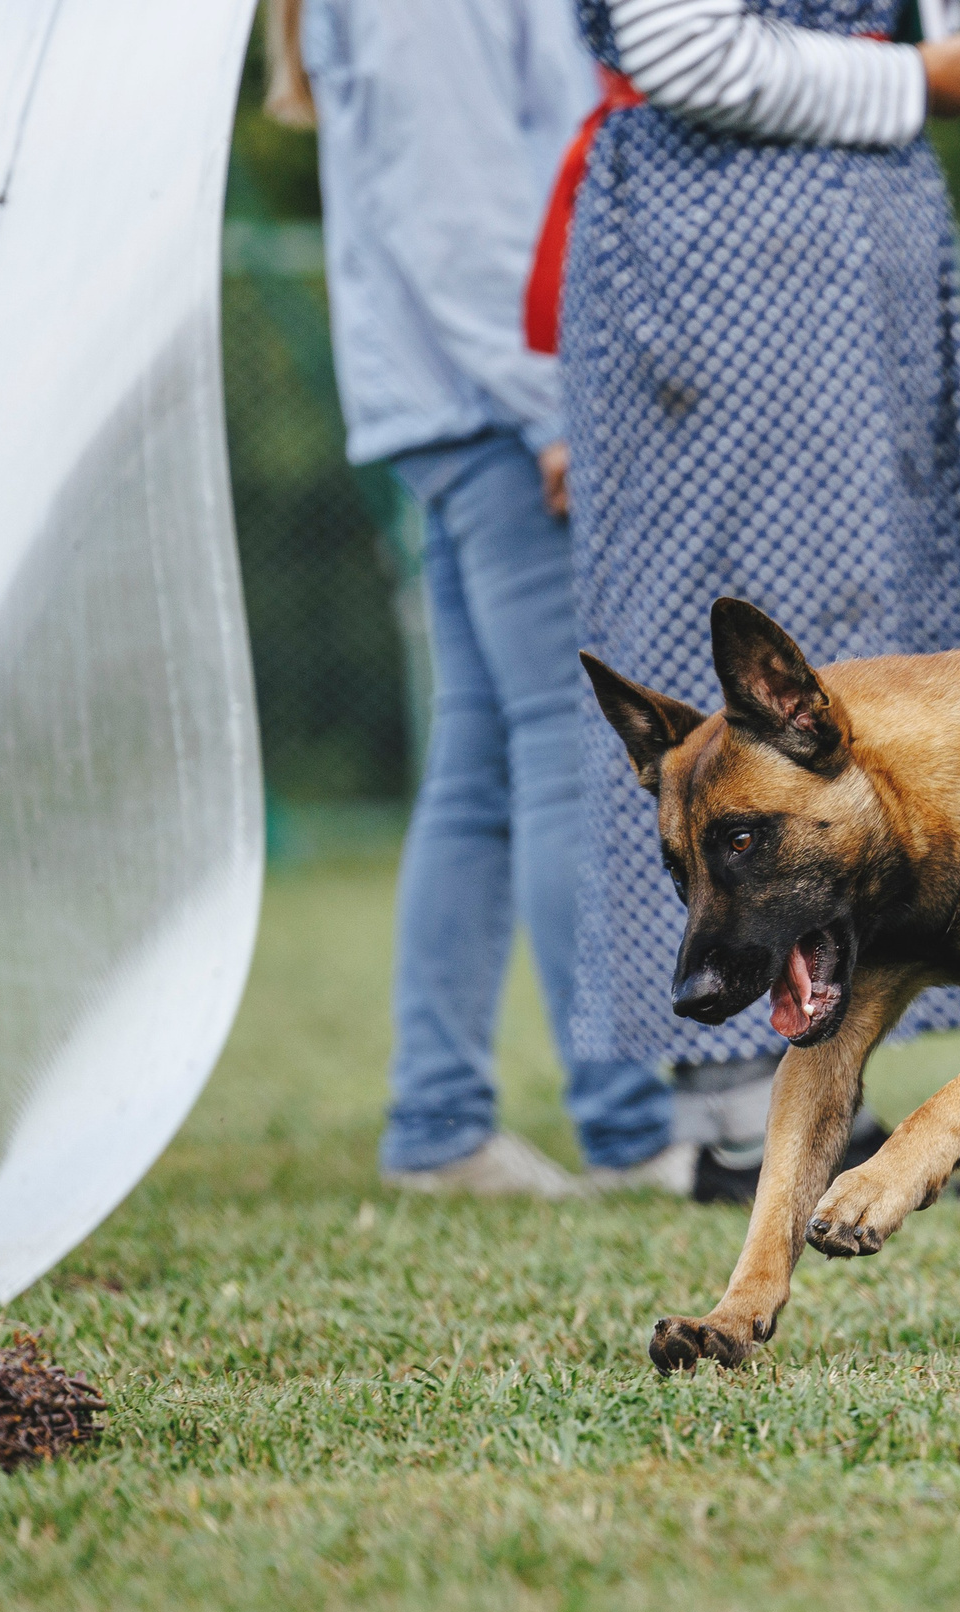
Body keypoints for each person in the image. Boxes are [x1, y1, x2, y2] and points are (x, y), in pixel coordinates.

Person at [553, 0, 960, 1172]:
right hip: (728, 255)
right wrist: (910, 83)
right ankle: (729, 1104)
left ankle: (828, 1074)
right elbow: (677, 42)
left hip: (824, 252)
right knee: (716, 656)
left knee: (853, 652)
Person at [268, 0, 686, 1196]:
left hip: (456, 400)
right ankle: (624, 1125)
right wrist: (549, 399)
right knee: (573, 751)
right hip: (495, 406)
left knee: (481, 768)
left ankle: (440, 1121)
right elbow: (452, 210)